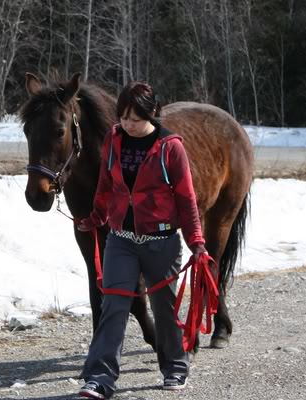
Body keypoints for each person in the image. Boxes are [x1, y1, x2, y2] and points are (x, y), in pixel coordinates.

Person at [76, 81, 207, 400]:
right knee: (114, 306)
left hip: (160, 241)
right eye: (122, 117)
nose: (127, 124)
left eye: (134, 118)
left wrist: (196, 242)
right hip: (120, 240)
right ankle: (100, 378)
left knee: (164, 309)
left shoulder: (169, 147)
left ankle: (175, 365)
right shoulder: (114, 139)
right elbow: (105, 185)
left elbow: (186, 198)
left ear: (152, 114)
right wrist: (95, 217)